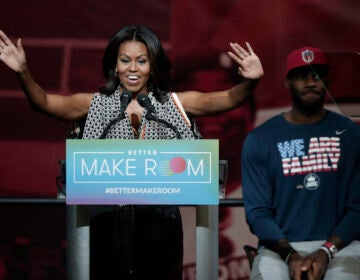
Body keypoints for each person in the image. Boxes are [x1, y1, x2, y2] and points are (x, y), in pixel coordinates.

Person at [0, 25, 263, 279]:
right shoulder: (95, 104)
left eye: (142, 61)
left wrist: (250, 83)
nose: (133, 68)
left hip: (160, 225)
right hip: (106, 221)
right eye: (125, 60)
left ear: (153, 65)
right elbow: (43, 102)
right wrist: (23, 72)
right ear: (115, 64)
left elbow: (227, 99)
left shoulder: (173, 103)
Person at [241, 46, 360, 280]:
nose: (310, 82)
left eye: (317, 75)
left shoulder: (350, 134)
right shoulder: (261, 138)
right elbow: (257, 213)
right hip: (280, 248)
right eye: (301, 76)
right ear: (287, 82)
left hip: (340, 245)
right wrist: (290, 255)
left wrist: (326, 251)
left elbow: (358, 207)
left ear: (326, 80)